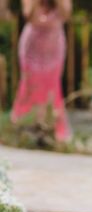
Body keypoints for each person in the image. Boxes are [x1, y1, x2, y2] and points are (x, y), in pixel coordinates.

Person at [11, 0, 72, 141]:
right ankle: (25, 124)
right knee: (30, 85)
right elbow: (29, 15)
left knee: (51, 86)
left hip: (54, 45)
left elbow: (66, 15)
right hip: (32, 44)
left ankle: (50, 127)